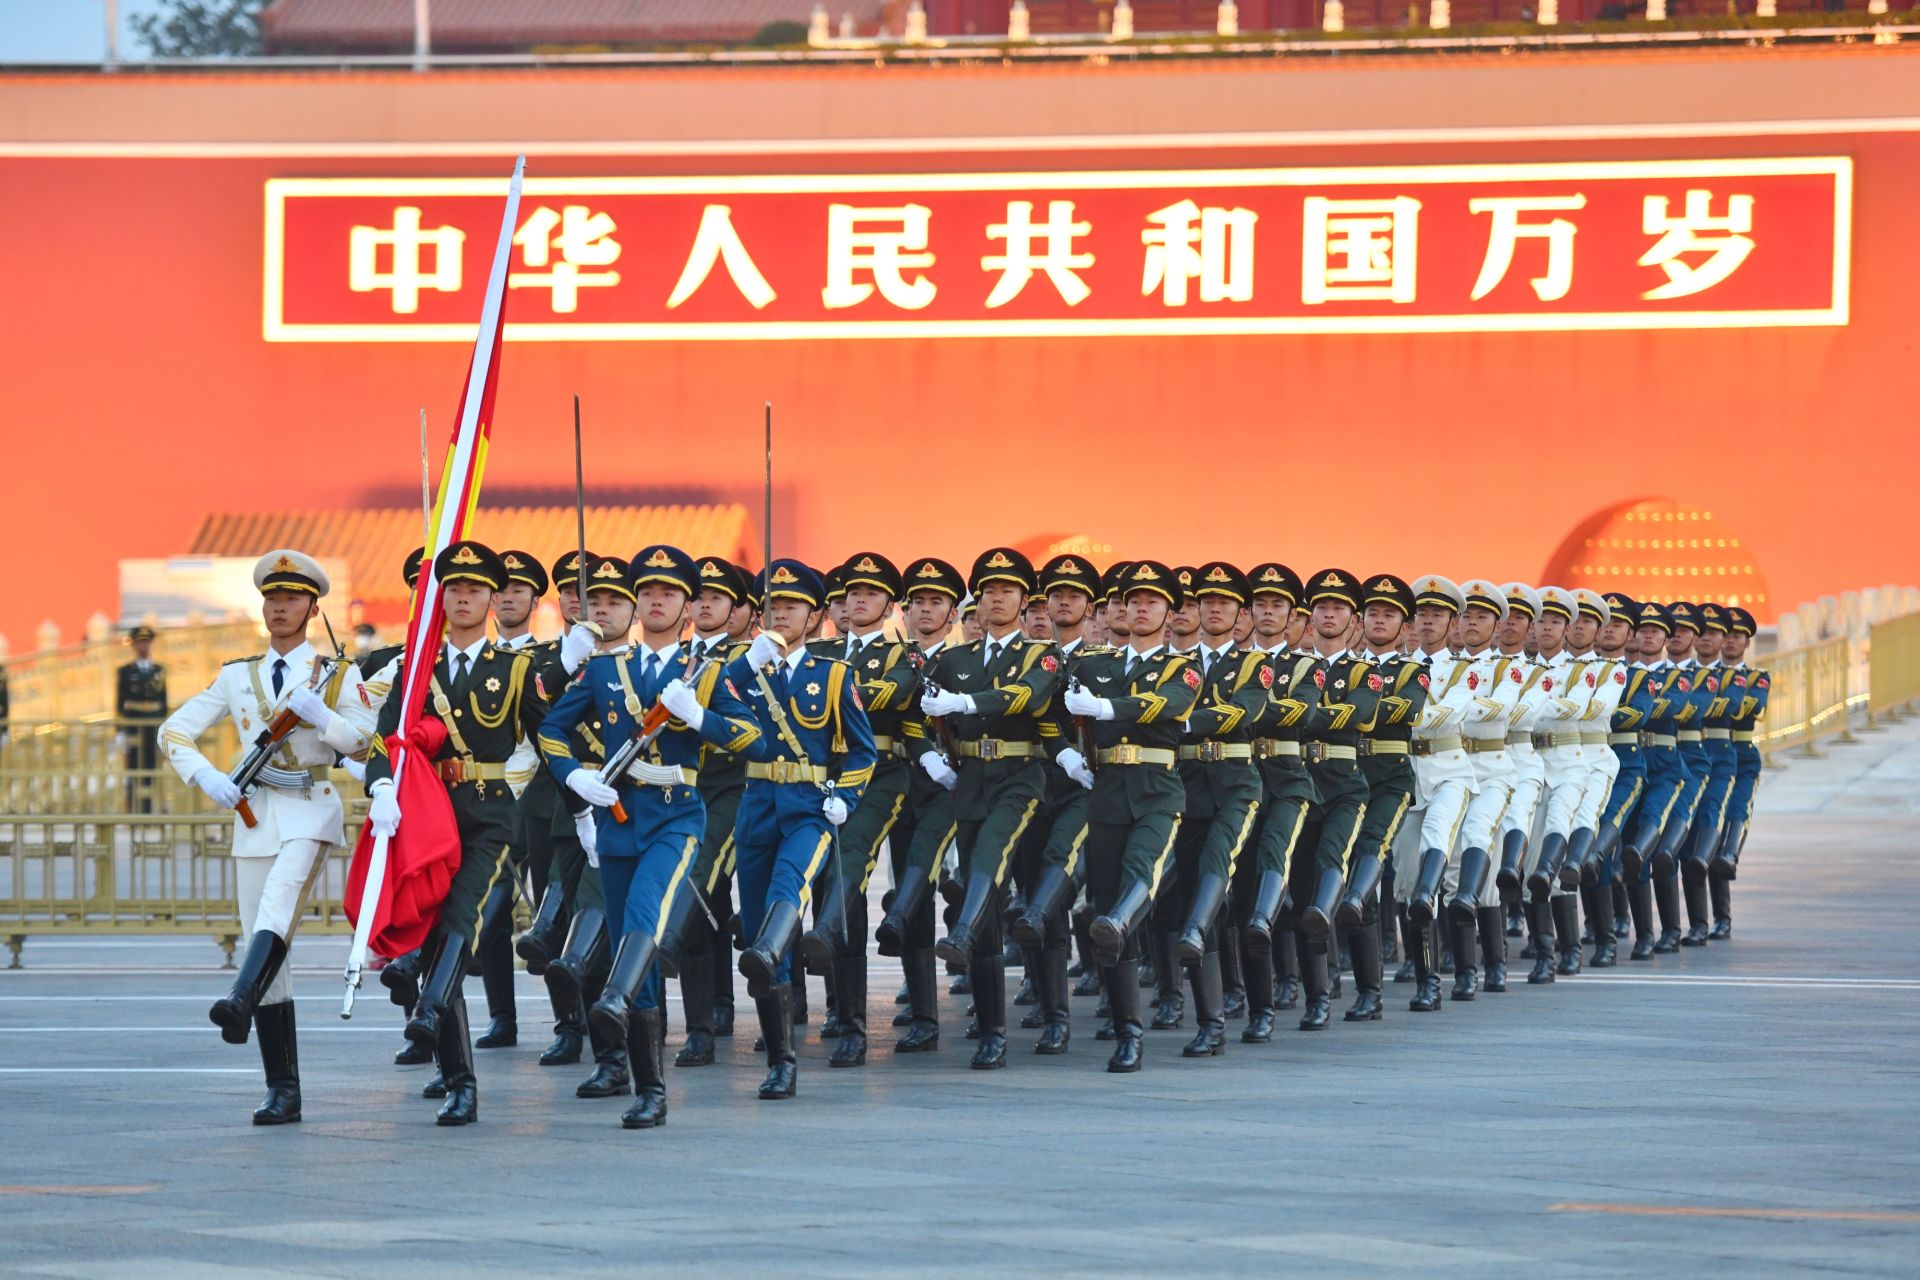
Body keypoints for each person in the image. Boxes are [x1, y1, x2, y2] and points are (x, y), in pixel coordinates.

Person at [540, 545, 761, 1129]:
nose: (657, 601)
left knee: (643, 917)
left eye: (669, 593)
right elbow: (551, 731)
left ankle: (610, 1002)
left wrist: (699, 718)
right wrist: (576, 776)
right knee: (623, 938)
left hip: (676, 815)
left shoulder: (706, 673)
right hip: (618, 818)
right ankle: (648, 1087)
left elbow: (751, 740)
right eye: (648, 593)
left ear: (688, 606)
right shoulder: (607, 670)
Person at [159, 550, 373, 1124]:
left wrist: (321, 716)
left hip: (308, 810)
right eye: (272, 599)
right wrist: (208, 777)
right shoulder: (236, 675)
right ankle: (283, 1088)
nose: (280, 607)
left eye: (292, 599)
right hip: (253, 818)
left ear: (311, 607)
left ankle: (238, 999)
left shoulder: (337, 675)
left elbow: (366, 744)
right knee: (268, 941)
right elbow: (172, 730)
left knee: (278, 906)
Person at [363, 541, 550, 1126]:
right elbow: (384, 737)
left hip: (492, 813)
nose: (463, 598)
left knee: (459, 919)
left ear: (494, 599)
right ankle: (459, 1081)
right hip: (428, 812)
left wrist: (585, 805)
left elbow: (554, 738)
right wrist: (380, 787)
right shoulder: (418, 671)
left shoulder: (517, 669)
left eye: (474, 590)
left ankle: (426, 1009)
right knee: (436, 926)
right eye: (453, 589)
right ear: (439, 599)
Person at [726, 560, 877, 1099]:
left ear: (814, 617)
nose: (780, 613)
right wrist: (747, 665)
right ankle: (780, 1058)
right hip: (757, 806)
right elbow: (695, 704)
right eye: (772, 605)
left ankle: (767, 952)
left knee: (786, 893)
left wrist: (847, 795)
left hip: (810, 807)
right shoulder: (742, 668)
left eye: (791, 606)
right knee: (766, 923)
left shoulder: (834, 675)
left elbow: (863, 750)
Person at [920, 548, 1063, 1070]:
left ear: (1025, 602)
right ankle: (992, 1029)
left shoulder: (1042, 655)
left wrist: (964, 704)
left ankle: (1055, 1013)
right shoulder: (953, 660)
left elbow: (1026, 697)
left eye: (1006, 591)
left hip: (1021, 780)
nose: (996, 599)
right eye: (987, 591)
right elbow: (920, 713)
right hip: (972, 782)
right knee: (995, 907)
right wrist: (933, 757)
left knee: (999, 864)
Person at [1062, 561, 1201, 1072]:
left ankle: (1123, 921)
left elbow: (1169, 704)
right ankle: (1128, 1031)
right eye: (1133, 601)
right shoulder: (1095, 663)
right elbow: (1056, 713)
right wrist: (1066, 753)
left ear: (1169, 613)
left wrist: (1106, 710)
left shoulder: (1183, 666)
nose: (1141, 609)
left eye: (1152, 602)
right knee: (1103, 908)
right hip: (1106, 795)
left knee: (1141, 873)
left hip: (1157, 792)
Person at [801, 552, 919, 1069]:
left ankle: (852, 1025)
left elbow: (888, 696)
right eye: (851, 593)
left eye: (870, 593)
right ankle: (837, 1009)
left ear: (889, 603)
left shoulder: (905, 655)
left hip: (879, 775)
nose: (858, 600)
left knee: (849, 860)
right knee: (823, 877)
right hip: (818, 774)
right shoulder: (820, 650)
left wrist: (821, 698)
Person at [1166, 562, 1266, 1057]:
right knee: (1198, 898)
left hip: (1236, 787)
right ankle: (1211, 1022)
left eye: (1225, 603)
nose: (1213, 610)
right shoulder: (1175, 663)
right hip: (1186, 789)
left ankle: (1260, 1004)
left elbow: (1242, 711)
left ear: (1240, 613)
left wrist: (1182, 719)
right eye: (1207, 602)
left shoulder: (1253, 664)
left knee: (1230, 885)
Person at [1010, 552, 1106, 1055]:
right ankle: (1053, 1013)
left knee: (1072, 887)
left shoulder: (1107, 661)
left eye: (1074, 596)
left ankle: (1115, 1000)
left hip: (1089, 791)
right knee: (1035, 897)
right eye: (1056, 595)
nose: (1063, 602)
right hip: (1035, 786)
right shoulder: (1027, 660)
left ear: (1090, 609)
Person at [875, 556, 967, 1054]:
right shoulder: (889, 660)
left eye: (937, 603)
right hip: (905, 784)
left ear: (953, 616)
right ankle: (924, 1013)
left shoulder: (969, 660)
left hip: (959, 785)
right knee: (915, 882)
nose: (925, 611)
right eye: (918, 603)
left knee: (933, 872)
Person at [673, 556, 758, 1066]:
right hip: (681, 787)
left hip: (734, 787)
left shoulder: (750, 657)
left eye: (717, 598)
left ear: (736, 610)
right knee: (706, 896)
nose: (705, 605)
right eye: (699, 596)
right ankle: (709, 1012)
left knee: (699, 879)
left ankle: (715, 1013)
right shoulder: (672, 655)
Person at [466, 548, 549, 1051]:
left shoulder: (552, 657)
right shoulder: (478, 660)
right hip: (488, 797)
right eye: (506, 590)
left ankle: (572, 1021)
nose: (511, 598)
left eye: (521, 590)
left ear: (535, 599)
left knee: (548, 908)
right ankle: (502, 1017)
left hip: (542, 798)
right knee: (489, 894)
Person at [1238, 563, 1316, 1035]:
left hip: (1287, 781)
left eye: (1278, 607)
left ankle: (1316, 993)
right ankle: (1258, 1006)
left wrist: (1240, 711)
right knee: (1244, 889)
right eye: (1261, 605)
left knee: (1283, 870)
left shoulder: (1306, 667)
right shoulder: (1234, 663)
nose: (1268, 613)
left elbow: (1301, 711)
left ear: (1292, 618)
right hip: (1242, 780)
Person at [1348, 574, 1426, 1022]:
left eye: (1389, 615)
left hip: (1392, 779)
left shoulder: (1413, 671)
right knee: (1360, 880)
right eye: (1373, 613)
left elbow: (1406, 708)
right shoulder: (1345, 670)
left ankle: (1426, 974)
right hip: (1347, 777)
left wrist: (1350, 711)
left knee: (1383, 869)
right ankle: (1367, 989)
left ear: (1405, 626)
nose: (1379, 621)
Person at [1711, 607, 1767, 939]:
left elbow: (1751, 706)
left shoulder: (1758, 677)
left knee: (1736, 816)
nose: (1730, 641)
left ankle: (1723, 917)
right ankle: (1712, 918)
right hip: (1711, 754)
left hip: (1742, 755)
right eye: (1726, 635)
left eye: (1737, 636)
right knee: (1708, 833)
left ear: (1747, 641)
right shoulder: (1703, 676)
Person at [118, 625, 169, 815]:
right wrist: (120, 731)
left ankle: (147, 810)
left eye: (146, 642)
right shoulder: (125, 671)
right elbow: (120, 704)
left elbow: (163, 703)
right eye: (140, 642)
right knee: (133, 767)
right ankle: (133, 809)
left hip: (153, 725)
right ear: (133, 645)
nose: (143, 646)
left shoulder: (159, 670)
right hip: (134, 726)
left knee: (151, 766)